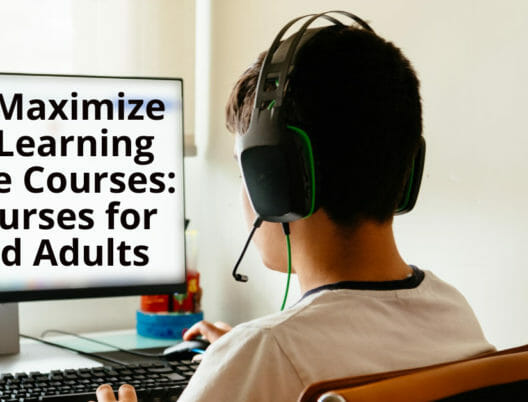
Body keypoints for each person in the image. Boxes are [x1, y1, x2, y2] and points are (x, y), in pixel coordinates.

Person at [97, 22, 494, 402]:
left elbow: (280, 357)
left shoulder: (265, 353)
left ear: (276, 181)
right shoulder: (453, 312)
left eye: (245, 171)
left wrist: (246, 359)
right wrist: (245, 359)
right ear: (408, 168)